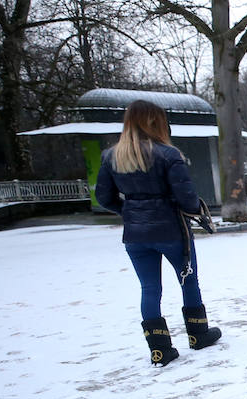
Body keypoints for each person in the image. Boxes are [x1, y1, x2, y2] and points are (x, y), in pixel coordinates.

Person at [95, 99, 223, 366]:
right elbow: (187, 199)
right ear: (156, 122)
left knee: (149, 288)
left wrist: (129, 211)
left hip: (135, 235)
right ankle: (198, 334)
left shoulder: (111, 157)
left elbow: (104, 197)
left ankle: (159, 350)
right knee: (189, 280)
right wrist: (191, 209)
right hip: (172, 231)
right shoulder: (168, 154)